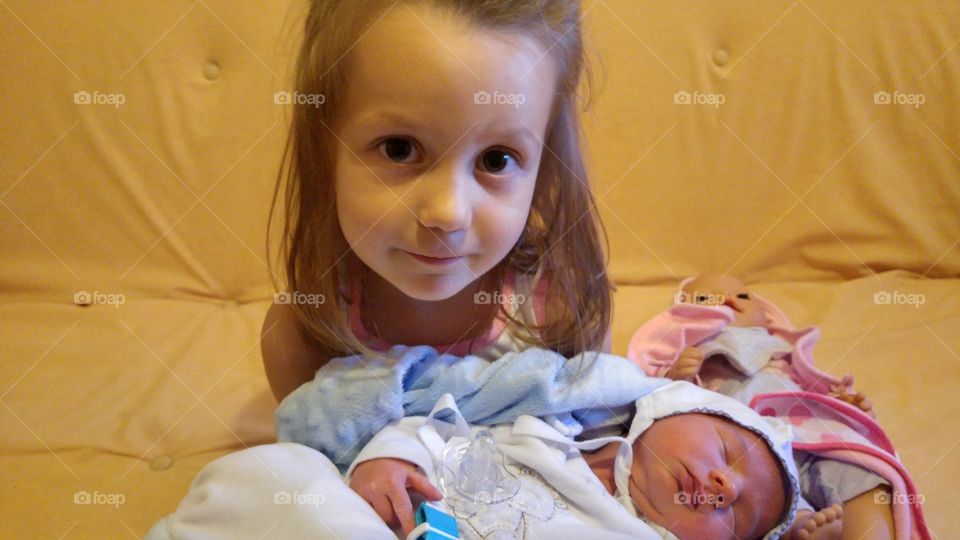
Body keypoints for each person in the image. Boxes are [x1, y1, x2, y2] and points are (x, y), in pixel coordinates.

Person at [260, 0, 614, 405]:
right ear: (324, 151)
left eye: (496, 160)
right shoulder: (303, 334)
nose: (448, 213)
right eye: (399, 149)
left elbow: (595, 431)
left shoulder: (564, 311)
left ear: (546, 166)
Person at [145, 382, 802, 540]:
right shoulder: (542, 432)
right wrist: (388, 461)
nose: (724, 483)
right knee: (282, 474)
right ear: (668, 410)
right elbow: (432, 432)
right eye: (727, 452)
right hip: (384, 529)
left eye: (737, 515)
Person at [628, 274, 898, 539]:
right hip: (754, 450)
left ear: (766, 315)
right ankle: (796, 527)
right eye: (706, 298)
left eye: (742, 296)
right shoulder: (694, 348)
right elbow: (668, 407)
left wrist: (843, 408)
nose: (729, 300)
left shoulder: (781, 352)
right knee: (764, 499)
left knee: (859, 470)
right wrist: (677, 375)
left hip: (807, 430)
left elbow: (810, 390)